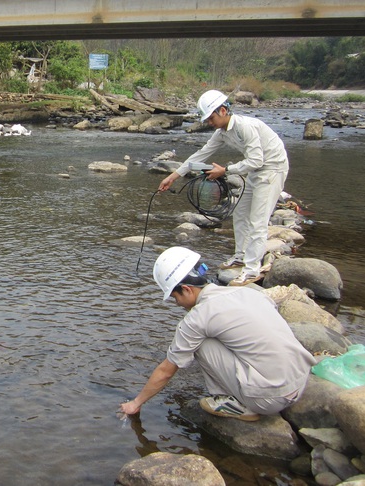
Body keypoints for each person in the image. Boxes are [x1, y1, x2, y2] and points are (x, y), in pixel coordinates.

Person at [119, 246, 315, 422]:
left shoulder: (198, 317)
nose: (177, 303)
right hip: (301, 380)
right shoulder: (249, 293)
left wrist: (135, 403)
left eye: (174, 297)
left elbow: (166, 371)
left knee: (199, 344)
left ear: (186, 289)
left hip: (270, 399)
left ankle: (232, 403)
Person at [158, 90, 289, 286]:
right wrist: (173, 176)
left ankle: (252, 270)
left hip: (272, 169)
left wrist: (226, 171)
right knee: (240, 213)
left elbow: (256, 159)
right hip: (255, 171)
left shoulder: (245, 127)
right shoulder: (222, 133)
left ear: (222, 110)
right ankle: (241, 256)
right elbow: (201, 154)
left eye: (211, 118)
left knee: (257, 222)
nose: (209, 123)